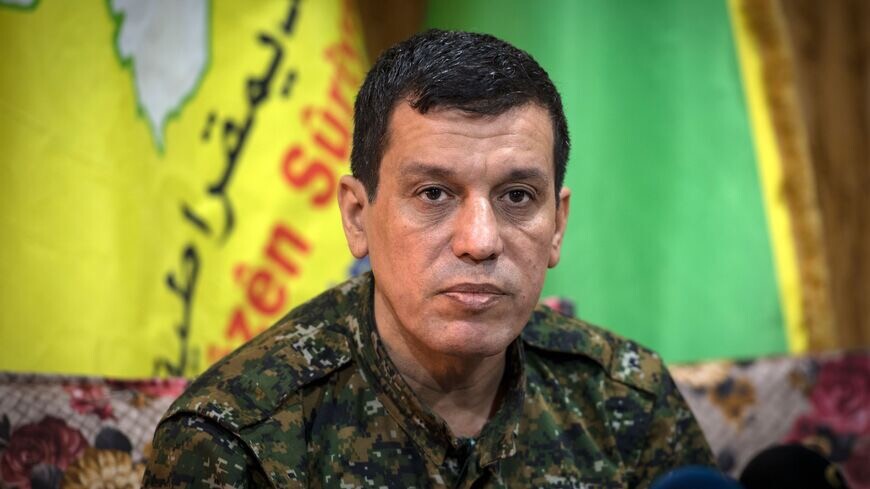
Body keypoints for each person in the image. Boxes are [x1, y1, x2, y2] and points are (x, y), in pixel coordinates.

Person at [143, 29, 714, 488]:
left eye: (518, 197)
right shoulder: (236, 440)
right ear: (357, 216)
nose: (480, 241)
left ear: (557, 225)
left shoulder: (629, 403)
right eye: (434, 194)